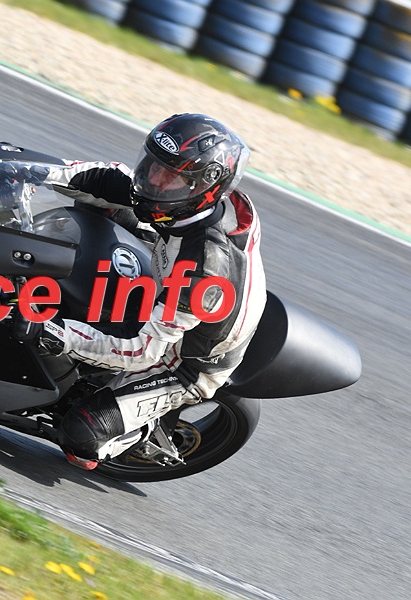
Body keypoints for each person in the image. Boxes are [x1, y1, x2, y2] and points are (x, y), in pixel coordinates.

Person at [15, 113, 267, 469]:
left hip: (186, 358)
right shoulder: (195, 202)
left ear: (203, 188)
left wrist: (56, 333)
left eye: (170, 177)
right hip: (171, 278)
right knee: (103, 202)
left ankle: (140, 431)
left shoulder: (204, 268)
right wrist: (30, 171)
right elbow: (109, 177)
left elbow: (143, 349)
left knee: (80, 436)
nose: (154, 181)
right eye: (153, 166)